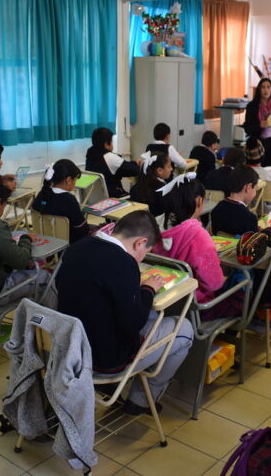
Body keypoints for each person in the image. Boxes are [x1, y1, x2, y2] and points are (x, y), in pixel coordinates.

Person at [55, 211, 193, 415]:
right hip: (104, 360)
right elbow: (133, 322)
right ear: (140, 243)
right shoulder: (124, 264)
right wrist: (147, 289)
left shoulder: (77, 247)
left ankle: (123, 391)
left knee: (154, 318)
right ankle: (141, 400)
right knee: (184, 329)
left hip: (69, 348)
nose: (141, 258)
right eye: (145, 252)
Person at [151, 175, 230, 317]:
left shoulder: (154, 225)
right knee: (242, 289)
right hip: (195, 306)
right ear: (199, 200)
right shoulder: (198, 236)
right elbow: (214, 284)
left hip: (163, 300)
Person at [31, 159, 88, 243]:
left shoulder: (42, 194)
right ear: (68, 180)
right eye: (75, 180)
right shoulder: (69, 200)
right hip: (66, 245)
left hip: (44, 242)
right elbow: (81, 229)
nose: (75, 183)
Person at [244, 77, 271, 167]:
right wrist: (260, 125)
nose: (266, 90)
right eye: (263, 87)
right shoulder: (252, 106)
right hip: (258, 143)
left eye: (268, 87)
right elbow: (247, 128)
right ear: (259, 90)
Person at [85, 127, 141, 198]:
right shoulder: (109, 157)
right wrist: (140, 166)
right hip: (114, 198)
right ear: (106, 144)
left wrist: (134, 163)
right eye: (111, 141)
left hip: (97, 199)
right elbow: (133, 170)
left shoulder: (90, 156)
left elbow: (119, 167)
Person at [210, 165, 259, 236]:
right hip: (241, 247)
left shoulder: (217, 209)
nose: (255, 193)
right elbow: (253, 245)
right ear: (248, 187)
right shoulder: (249, 218)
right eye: (255, 189)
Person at [130, 152, 172, 217]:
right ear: (159, 170)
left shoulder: (134, 188)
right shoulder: (164, 191)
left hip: (139, 224)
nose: (171, 169)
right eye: (169, 166)